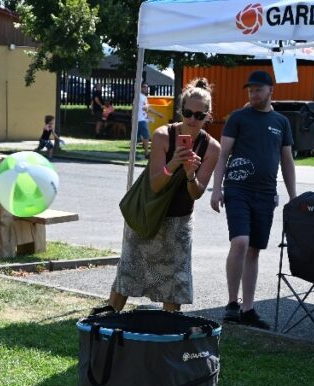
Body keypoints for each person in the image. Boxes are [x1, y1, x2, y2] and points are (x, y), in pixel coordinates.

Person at [94, 78, 221, 314]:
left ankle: (169, 327)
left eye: (199, 116)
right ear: (180, 110)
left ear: (208, 116)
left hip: (179, 220)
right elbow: (155, 183)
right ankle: (109, 319)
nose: (192, 120)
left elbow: (196, 193)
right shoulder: (163, 135)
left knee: (175, 278)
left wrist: (190, 174)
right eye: (187, 113)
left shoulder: (212, 148)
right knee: (130, 268)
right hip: (149, 211)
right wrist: (174, 163)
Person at [210, 70, 297, 329]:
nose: (253, 93)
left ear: (271, 90)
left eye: (258, 89)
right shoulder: (238, 117)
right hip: (237, 189)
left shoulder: (281, 122)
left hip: (266, 193)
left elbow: (287, 161)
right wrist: (217, 189)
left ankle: (248, 308)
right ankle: (231, 304)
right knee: (240, 241)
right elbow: (223, 154)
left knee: (254, 250)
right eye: (250, 89)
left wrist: (293, 197)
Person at [135, 83, 162, 158]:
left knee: (138, 138)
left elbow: (145, 108)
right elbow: (146, 108)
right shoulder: (140, 97)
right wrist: (158, 114)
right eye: (144, 87)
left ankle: (134, 152)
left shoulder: (143, 97)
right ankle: (146, 152)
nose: (146, 89)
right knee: (146, 136)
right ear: (141, 88)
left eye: (147, 87)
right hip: (141, 120)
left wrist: (149, 118)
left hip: (141, 119)